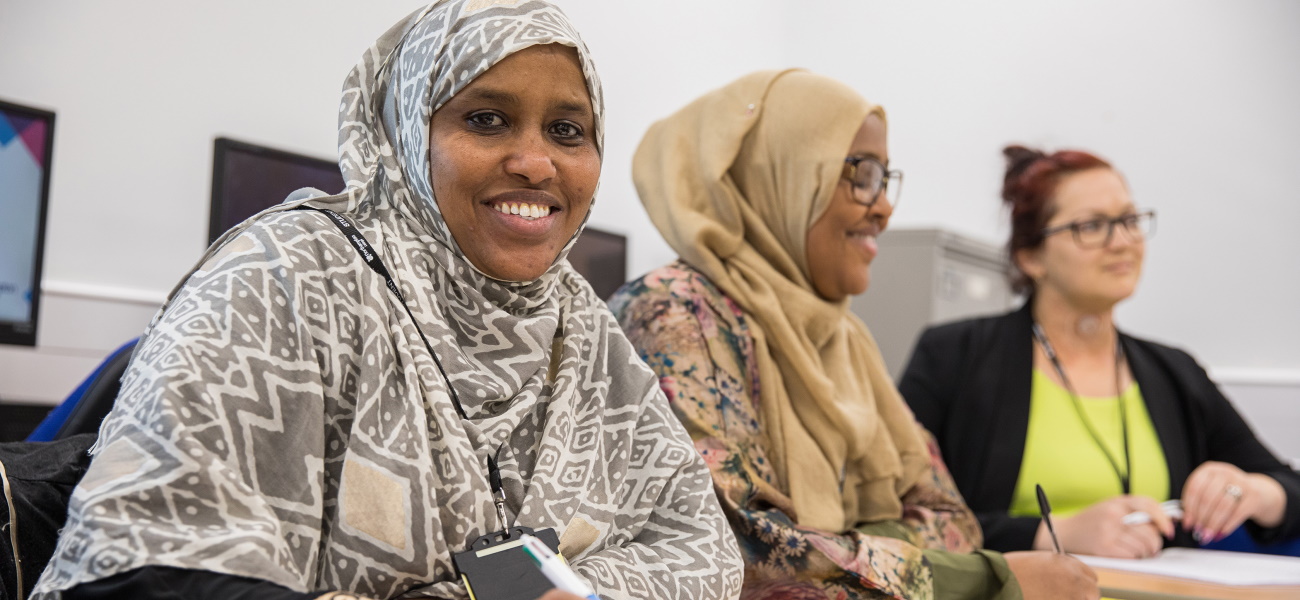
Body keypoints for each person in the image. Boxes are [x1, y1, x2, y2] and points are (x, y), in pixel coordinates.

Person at [30, 1, 742, 599]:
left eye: (566, 130)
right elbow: (144, 563)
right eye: (487, 119)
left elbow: (701, 551)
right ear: (405, 134)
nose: (536, 161)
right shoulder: (287, 276)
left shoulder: (579, 323)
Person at [609, 70, 1098, 600]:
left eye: (886, 179)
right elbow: (742, 553)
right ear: (780, 175)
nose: (884, 207)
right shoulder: (673, 315)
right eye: (861, 174)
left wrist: (838, 549)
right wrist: (969, 578)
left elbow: (955, 522)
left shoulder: (844, 340)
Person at [899, 145, 1300, 559]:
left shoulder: (1175, 372)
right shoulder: (954, 356)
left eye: (1129, 220)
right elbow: (897, 514)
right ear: (1030, 256)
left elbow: (1290, 489)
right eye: (1091, 226)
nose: (1122, 241)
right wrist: (1053, 533)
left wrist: (1252, 492)